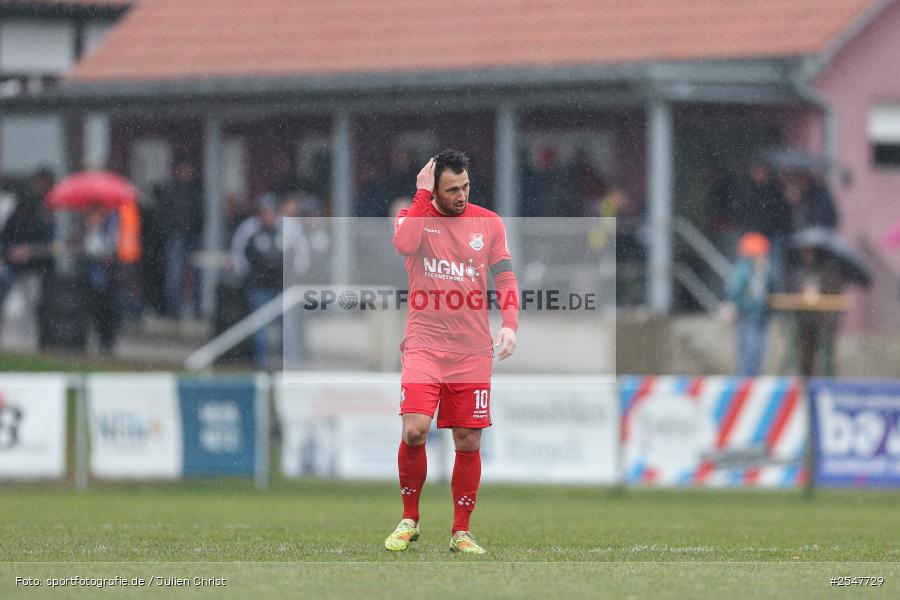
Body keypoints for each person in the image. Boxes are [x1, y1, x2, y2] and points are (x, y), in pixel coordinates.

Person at [384, 150, 519, 555]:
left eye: (466, 187)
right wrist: (421, 196)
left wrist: (510, 324)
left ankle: (461, 532)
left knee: (468, 439)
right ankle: (410, 519)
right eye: (452, 190)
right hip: (424, 346)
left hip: (471, 351)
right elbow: (403, 244)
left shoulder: (489, 223)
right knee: (414, 430)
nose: (461, 195)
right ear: (433, 190)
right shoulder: (414, 217)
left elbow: (505, 277)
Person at [157, 158, 203, 319]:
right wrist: (171, 228)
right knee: (174, 273)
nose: (187, 172)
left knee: (198, 273)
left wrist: (196, 226)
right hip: (176, 235)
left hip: (194, 234)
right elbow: (163, 212)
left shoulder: (197, 188)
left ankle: (198, 309)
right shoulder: (170, 188)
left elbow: (201, 210)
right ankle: (173, 310)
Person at [726, 233, 775, 376]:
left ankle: (754, 378)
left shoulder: (764, 268)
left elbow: (771, 288)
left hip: (761, 315)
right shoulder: (743, 269)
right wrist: (739, 305)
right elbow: (734, 290)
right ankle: (745, 380)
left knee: (759, 350)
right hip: (747, 315)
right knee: (749, 350)